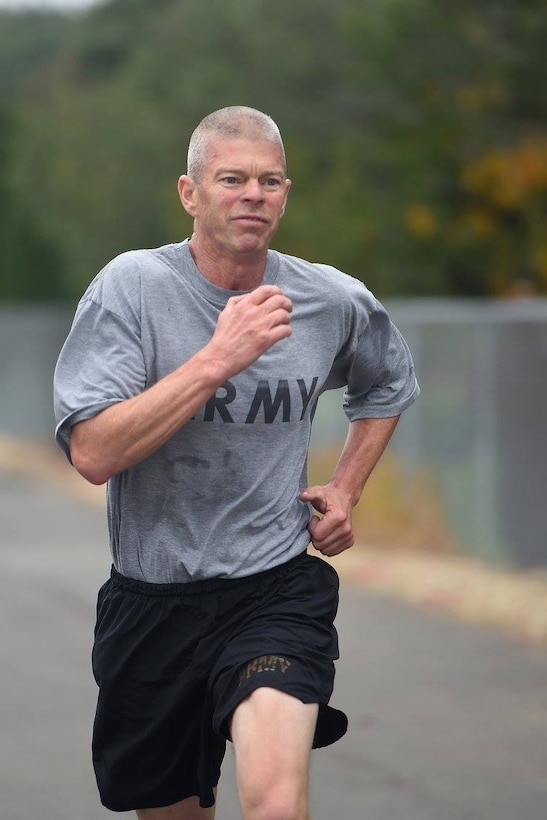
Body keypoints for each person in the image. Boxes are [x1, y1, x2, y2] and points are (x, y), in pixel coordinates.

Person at [54, 105, 419, 819]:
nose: (253, 194)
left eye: (270, 180)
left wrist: (346, 487)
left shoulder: (327, 298)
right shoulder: (132, 288)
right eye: (232, 179)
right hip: (151, 598)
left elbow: (388, 383)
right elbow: (94, 453)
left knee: (275, 800)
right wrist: (219, 358)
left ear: (285, 194)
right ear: (190, 194)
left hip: (274, 588)